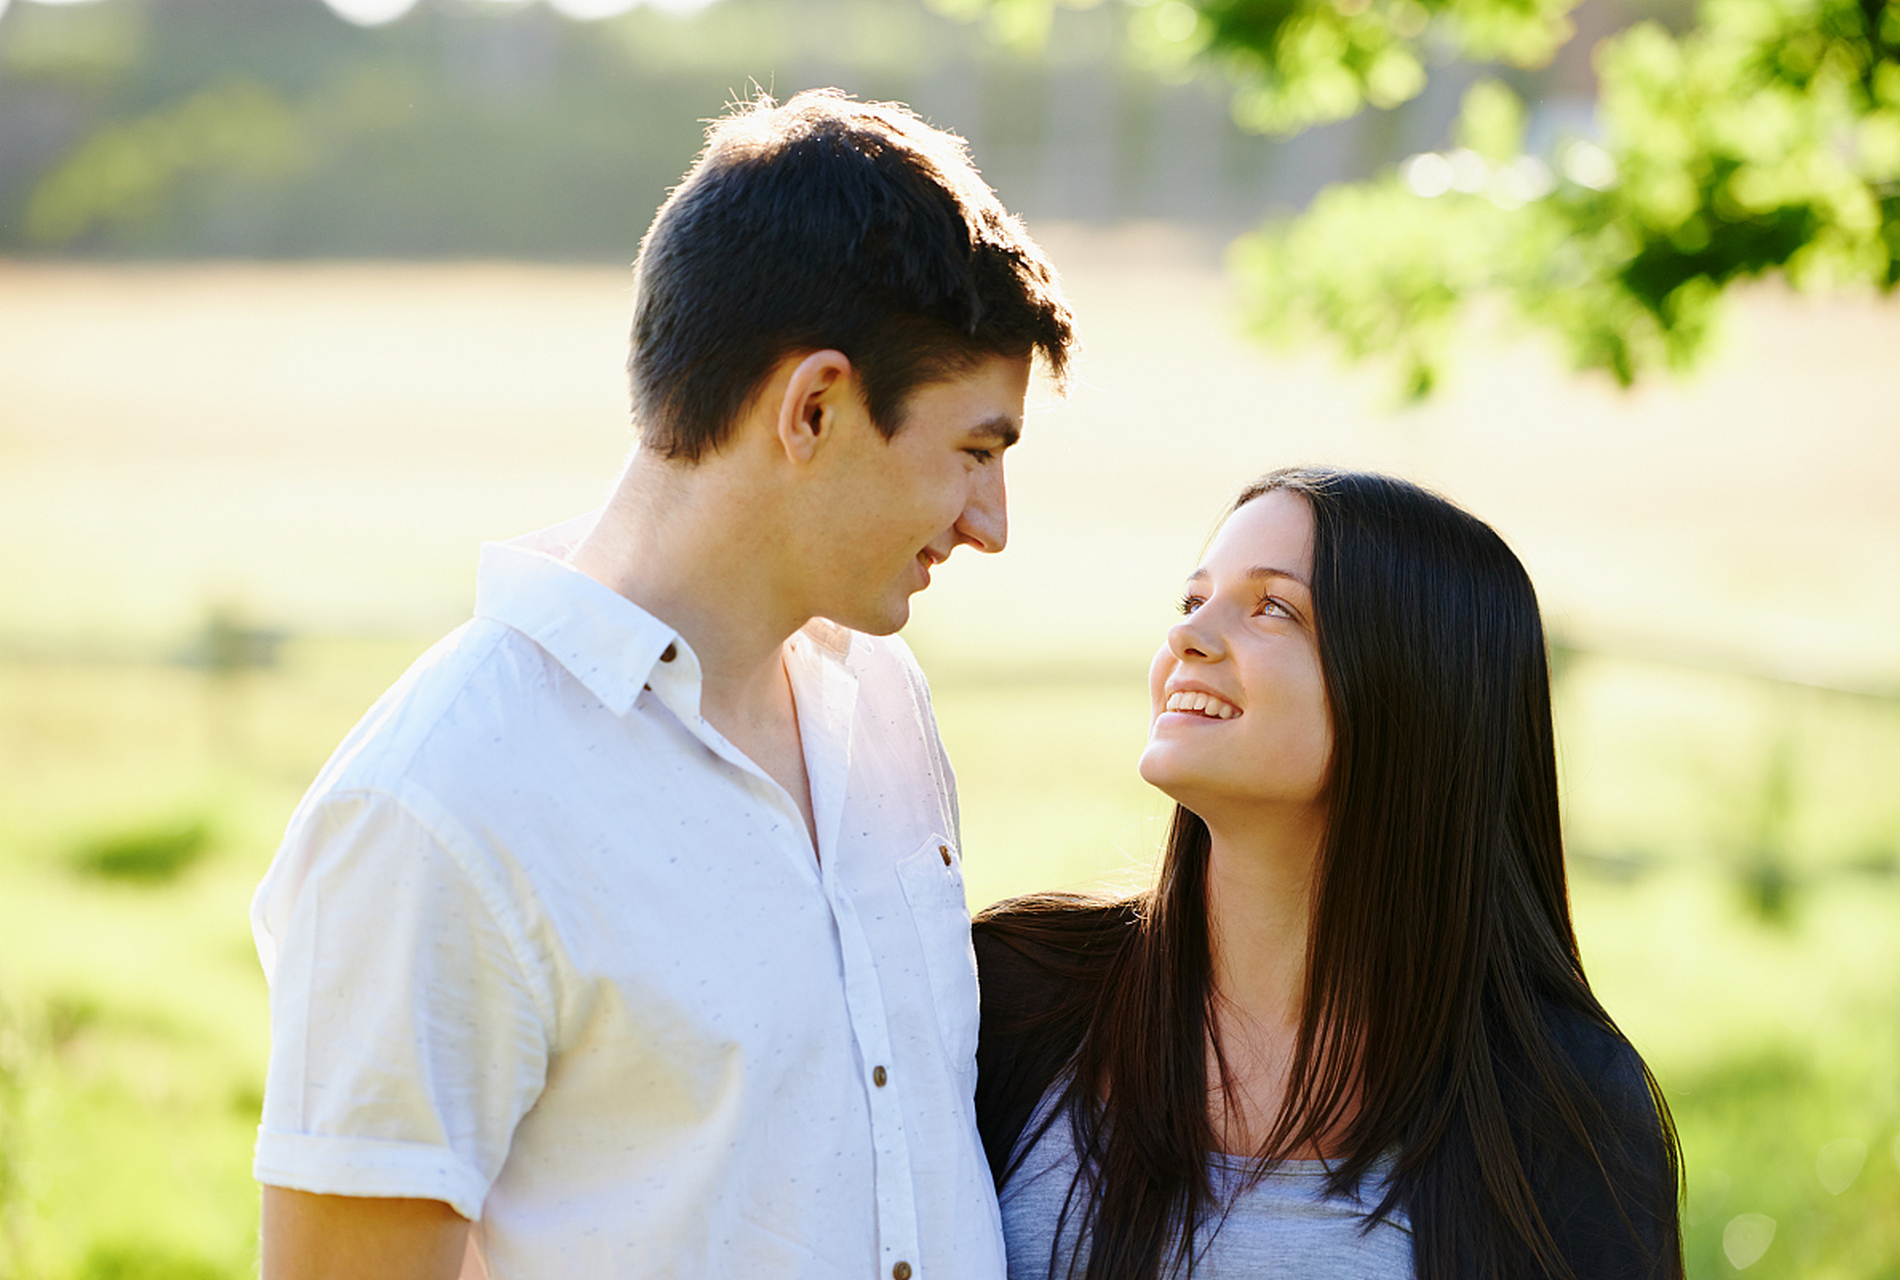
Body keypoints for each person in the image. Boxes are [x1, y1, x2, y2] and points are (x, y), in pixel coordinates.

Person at [249, 89, 1074, 1280]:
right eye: (976, 452)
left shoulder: (885, 701)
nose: (991, 523)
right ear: (816, 406)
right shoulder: (437, 801)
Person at [976, 467, 1684, 1280]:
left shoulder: (1561, 1108)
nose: (1188, 637)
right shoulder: (1015, 997)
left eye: (1272, 607)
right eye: (1192, 601)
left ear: (1414, 688)